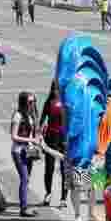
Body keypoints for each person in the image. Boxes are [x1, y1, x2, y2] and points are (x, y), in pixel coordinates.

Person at [11, 91, 39, 218]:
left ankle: (25, 204)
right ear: (24, 102)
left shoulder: (30, 115)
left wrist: (37, 138)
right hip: (18, 151)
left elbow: (31, 134)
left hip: (29, 151)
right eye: (30, 102)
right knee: (24, 178)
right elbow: (14, 136)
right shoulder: (17, 116)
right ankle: (23, 208)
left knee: (27, 179)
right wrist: (31, 140)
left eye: (34, 102)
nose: (32, 104)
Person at [39, 80, 65, 209]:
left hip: (64, 138)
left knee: (64, 169)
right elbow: (42, 119)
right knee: (49, 168)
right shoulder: (49, 102)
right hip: (51, 136)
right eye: (54, 89)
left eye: (58, 89)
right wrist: (38, 134)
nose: (56, 91)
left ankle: (63, 198)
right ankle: (48, 193)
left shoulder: (68, 101)